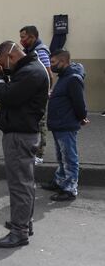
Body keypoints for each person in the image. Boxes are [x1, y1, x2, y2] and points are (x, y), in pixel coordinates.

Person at [0, 41, 49, 248]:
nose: (4, 67)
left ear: (10, 57)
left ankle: (19, 231)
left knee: (19, 185)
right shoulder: (29, 69)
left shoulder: (31, 72)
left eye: (2, 63)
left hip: (20, 135)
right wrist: (3, 76)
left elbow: (7, 96)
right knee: (25, 183)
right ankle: (24, 222)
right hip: (22, 133)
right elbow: (15, 91)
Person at [42, 50, 89, 201]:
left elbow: (79, 102)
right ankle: (60, 181)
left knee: (69, 157)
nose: (51, 65)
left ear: (64, 61)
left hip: (66, 124)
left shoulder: (73, 78)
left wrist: (82, 117)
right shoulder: (63, 77)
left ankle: (70, 189)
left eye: (54, 62)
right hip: (59, 124)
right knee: (61, 156)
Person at [20, 25, 52, 164]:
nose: (21, 40)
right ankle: (31, 150)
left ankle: (39, 154)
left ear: (32, 37)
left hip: (39, 96)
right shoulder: (29, 51)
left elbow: (48, 74)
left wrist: (46, 92)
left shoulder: (40, 52)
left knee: (40, 123)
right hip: (30, 95)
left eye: (23, 37)